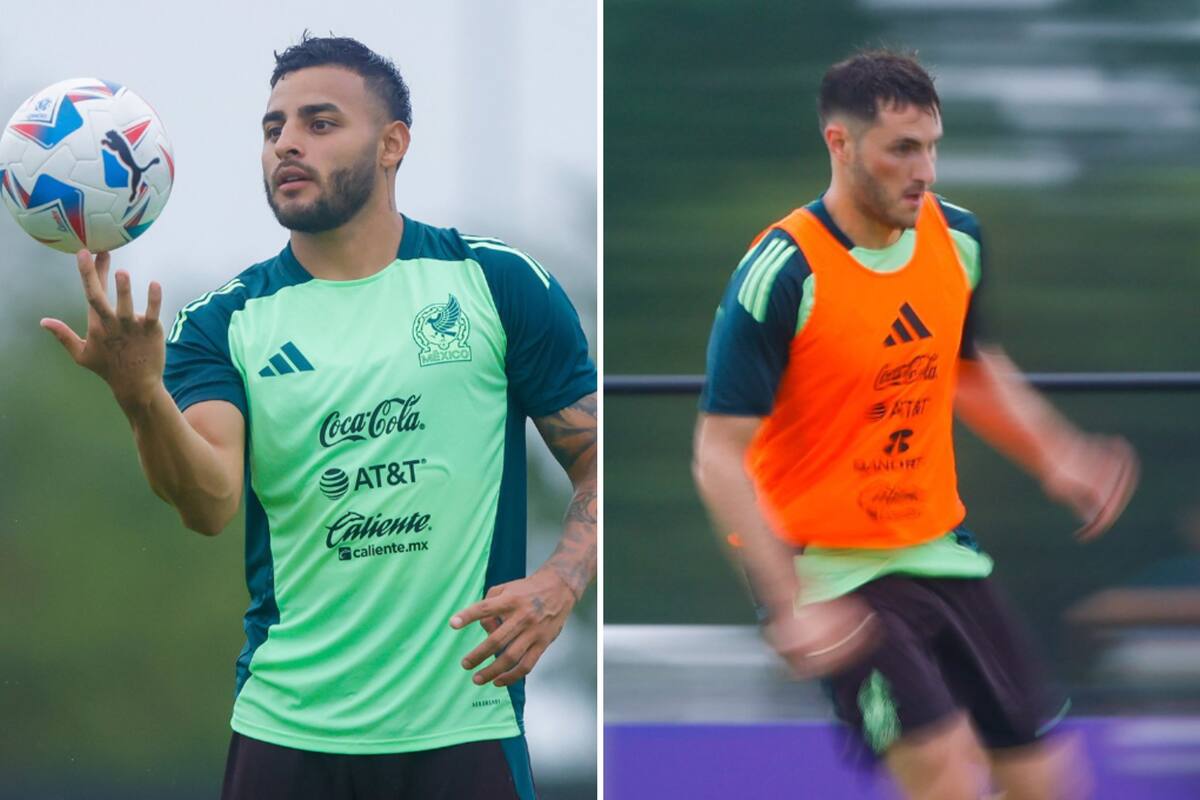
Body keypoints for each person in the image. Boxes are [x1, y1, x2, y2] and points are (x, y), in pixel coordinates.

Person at [40, 35, 596, 800]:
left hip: (464, 727)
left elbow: (597, 459)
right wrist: (141, 396)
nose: (287, 144)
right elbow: (209, 503)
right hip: (287, 733)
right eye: (273, 128)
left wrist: (562, 582)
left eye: (320, 123)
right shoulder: (225, 322)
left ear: (393, 144)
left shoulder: (495, 283)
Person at [692, 50, 1137, 800]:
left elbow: (970, 365)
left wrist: (1056, 453)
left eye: (931, 147)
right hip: (832, 571)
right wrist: (785, 602)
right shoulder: (782, 272)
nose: (923, 170)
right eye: (901, 149)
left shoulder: (957, 239)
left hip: (941, 548)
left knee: (1048, 781)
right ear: (840, 143)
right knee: (943, 775)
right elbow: (717, 455)